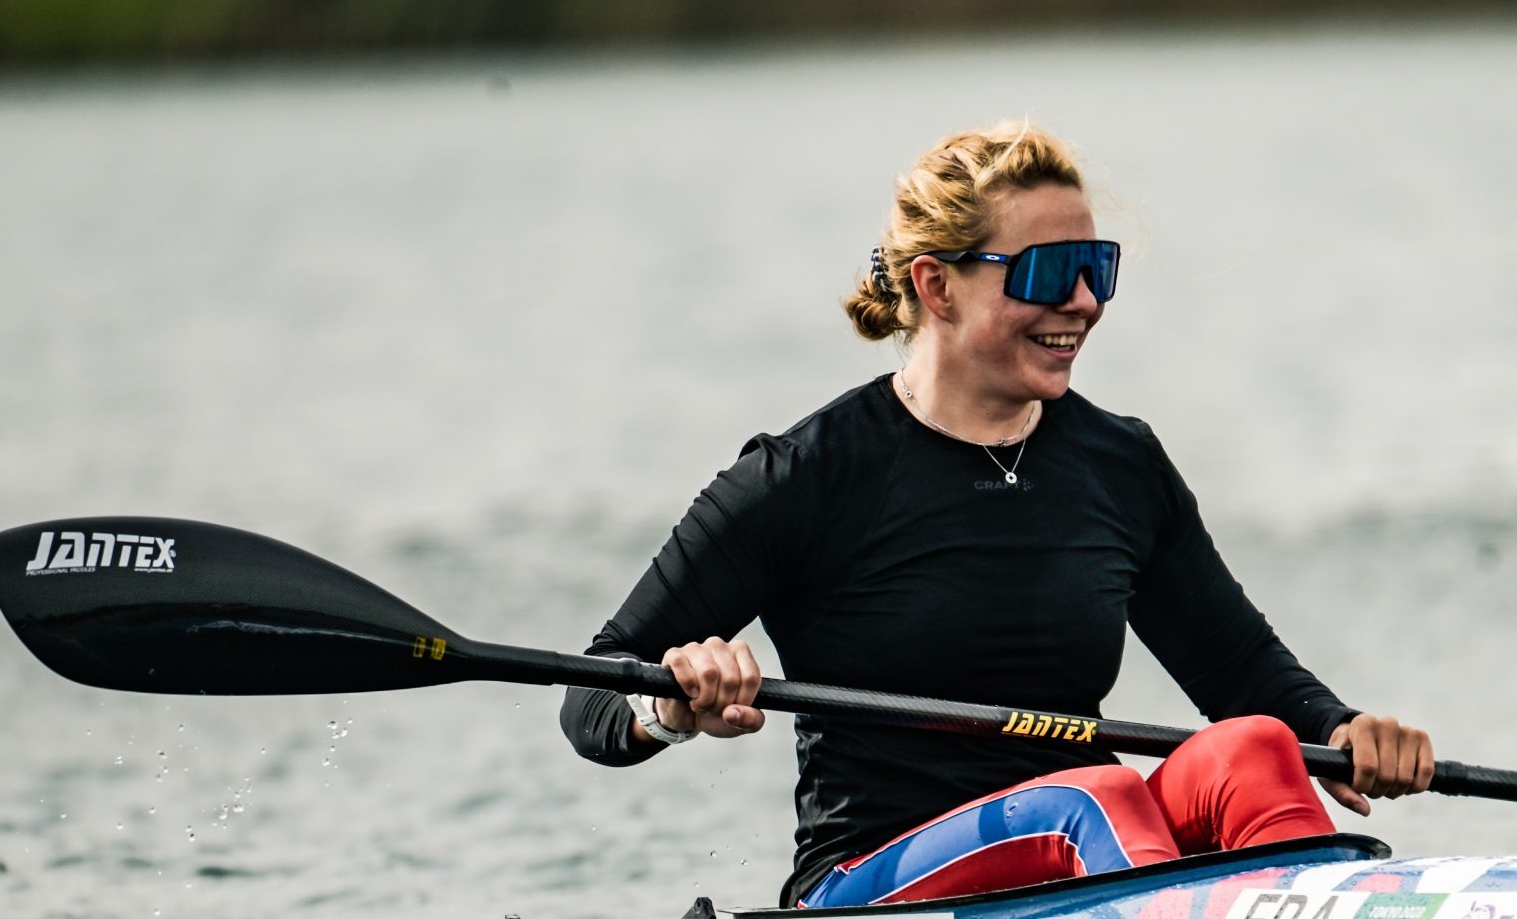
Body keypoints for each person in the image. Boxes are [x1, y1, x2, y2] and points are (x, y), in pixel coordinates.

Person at [563, 122, 1433, 907]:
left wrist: (1341, 730)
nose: (1084, 303)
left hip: (1091, 847)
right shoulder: (805, 476)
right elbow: (592, 692)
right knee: (1094, 798)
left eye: (1099, 270)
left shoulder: (1120, 464)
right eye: (1053, 274)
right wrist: (672, 706)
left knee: (1252, 751)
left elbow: (1241, 670)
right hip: (872, 881)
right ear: (936, 287)